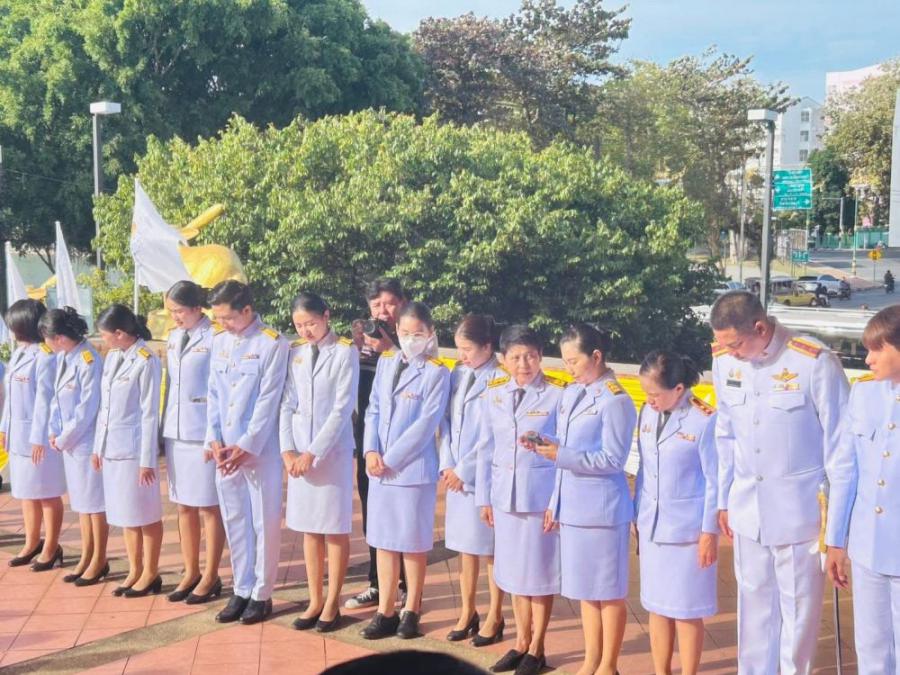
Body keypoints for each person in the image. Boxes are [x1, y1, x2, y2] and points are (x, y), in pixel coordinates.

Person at [710, 290, 848, 673]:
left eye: (736, 344)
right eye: (725, 345)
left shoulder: (813, 362)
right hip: (747, 511)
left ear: (760, 327)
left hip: (799, 514)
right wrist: (723, 499)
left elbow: (840, 449)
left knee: (798, 614)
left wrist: (837, 530)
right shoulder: (725, 362)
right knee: (753, 610)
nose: (731, 353)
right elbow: (725, 435)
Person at [530, 324, 635, 675]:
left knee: (608, 591)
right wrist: (546, 444)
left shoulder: (615, 400)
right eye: (565, 361)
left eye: (574, 361)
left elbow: (613, 459)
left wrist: (561, 454)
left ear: (597, 356)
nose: (568, 368)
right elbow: (569, 444)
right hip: (574, 506)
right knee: (586, 590)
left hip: (602, 510)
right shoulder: (574, 393)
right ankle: (591, 659)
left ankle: (608, 664)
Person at [475, 325, 565, 675]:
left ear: (540, 357)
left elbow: (562, 453)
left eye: (530, 356)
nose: (523, 364)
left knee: (539, 574)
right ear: (503, 359)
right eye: (515, 357)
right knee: (513, 573)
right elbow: (486, 447)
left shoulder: (557, 394)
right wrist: (484, 497)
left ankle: (538, 646)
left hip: (538, 497)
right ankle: (520, 641)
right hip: (504, 496)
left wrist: (556, 502)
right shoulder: (495, 392)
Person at [360, 301, 450, 640]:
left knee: (412, 542)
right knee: (384, 541)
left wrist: (390, 459)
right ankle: (385, 610)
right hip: (379, 468)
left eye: (418, 333)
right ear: (396, 330)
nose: (411, 339)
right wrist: (371, 450)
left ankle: (411, 608)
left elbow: (426, 424)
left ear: (430, 333)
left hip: (411, 469)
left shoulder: (437, 372)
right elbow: (373, 409)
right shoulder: (386, 362)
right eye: (405, 332)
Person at [205, 280, 289, 625]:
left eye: (228, 317)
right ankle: (241, 588)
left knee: (263, 522)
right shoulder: (219, 341)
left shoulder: (272, 343)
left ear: (247, 310)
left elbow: (269, 399)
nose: (223, 324)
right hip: (225, 451)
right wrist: (213, 439)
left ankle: (261, 593)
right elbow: (213, 394)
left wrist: (247, 444)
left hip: (259, 449)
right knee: (235, 519)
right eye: (218, 318)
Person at [825, 305, 900, 673]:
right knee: (870, 649)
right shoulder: (864, 394)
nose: (868, 359)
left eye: (877, 349)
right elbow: (845, 471)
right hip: (867, 545)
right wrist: (835, 541)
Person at [280, 291, 359, 632]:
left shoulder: (344, 351)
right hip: (298, 454)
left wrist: (313, 453)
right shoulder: (296, 352)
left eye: (310, 323)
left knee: (334, 528)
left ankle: (332, 602)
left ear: (326, 316)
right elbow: (286, 402)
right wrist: (288, 450)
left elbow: (343, 408)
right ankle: (314, 599)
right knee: (309, 528)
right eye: (299, 325)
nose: (305, 331)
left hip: (331, 454)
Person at [636, 350, 719, 675]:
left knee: (686, 610)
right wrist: (638, 516)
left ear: (679, 389)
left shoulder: (704, 419)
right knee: (656, 607)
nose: (650, 399)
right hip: (653, 526)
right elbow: (644, 469)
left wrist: (708, 532)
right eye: (646, 392)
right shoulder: (647, 412)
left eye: (655, 393)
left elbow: (715, 480)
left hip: (688, 532)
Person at [439, 314, 506, 645]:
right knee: (465, 548)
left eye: (467, 349)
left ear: (487, 346)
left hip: (482, 477)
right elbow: (447, 422)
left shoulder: (500, 379)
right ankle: (467, 611)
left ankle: (495, 614)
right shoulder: (459, 373)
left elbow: (492, 436)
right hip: (455, 475)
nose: (461, 355)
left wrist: (463, 470)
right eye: (459, 348)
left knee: (490, 549)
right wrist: (447, 464)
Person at [92, 305, 164, 597]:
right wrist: (98, 446)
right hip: (112, 448)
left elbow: (150, 412)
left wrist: (147, 460)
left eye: (105, 335)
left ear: (120, 333)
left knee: (145, 512)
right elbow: (105, 407)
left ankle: (151, 572)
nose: (104, 340)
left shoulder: (146, 360)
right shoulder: (113, 357)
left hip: (135, 451)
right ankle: (135, 569)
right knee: (125, 513)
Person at [346, 277, 409, 610]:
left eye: (389, 303)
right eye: (376, 305)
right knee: (372, 508)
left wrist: (391, 348)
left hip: (402, 442)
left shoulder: (414, 334)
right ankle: (377, 583)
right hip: (368, 436)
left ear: (402, 302)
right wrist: (354, 350)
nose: (383, 311)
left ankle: (407, 586)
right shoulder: (363, 336)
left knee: (403, 514)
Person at [162, 281, 226, 604]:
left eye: (180, 311)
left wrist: (216, 434)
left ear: (197, 308)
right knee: (183, 505)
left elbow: (220, 388)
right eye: (171, 311)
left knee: (209, 506)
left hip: (203, 431)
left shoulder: (215, 337)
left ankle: (211, 574)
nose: (175, 317)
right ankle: (191, 571)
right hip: (176, 430)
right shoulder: (174, 337)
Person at [42, 307, 108, 585]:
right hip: (69, 443)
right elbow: (56, 401)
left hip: (86, 441)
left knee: (95, 504)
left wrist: (63, 437)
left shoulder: (88, 360)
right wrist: (53, 431)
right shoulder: (65, 357)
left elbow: (86, 409)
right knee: (81, 504)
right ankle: (86, 555)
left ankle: (99, 559)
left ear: (58, 337)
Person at [1, 299, 65, 571]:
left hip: (38, 438)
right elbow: (11, 397)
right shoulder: (19, 353)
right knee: (26, 492)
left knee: (46, 493)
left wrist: (38, 437)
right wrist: (4, 427)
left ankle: (51, 547)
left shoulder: (46, 357)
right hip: (18, 434)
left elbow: (45, 401)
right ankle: (31, 542)